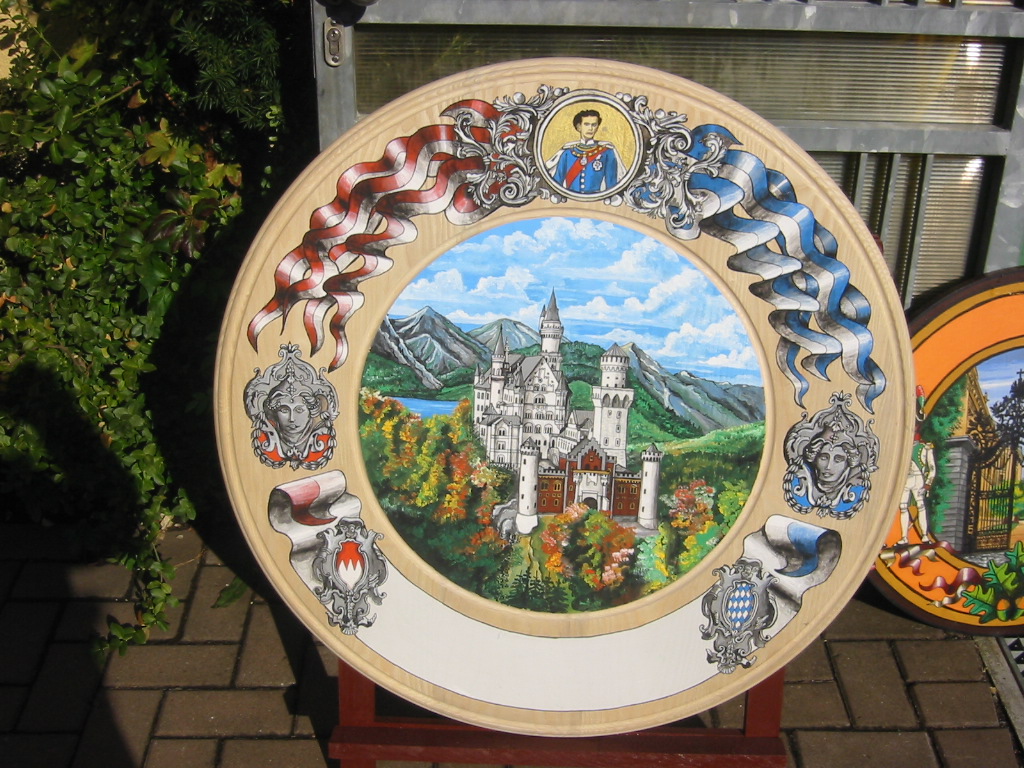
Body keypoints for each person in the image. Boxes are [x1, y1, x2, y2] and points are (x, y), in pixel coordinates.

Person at [548, 109, 621, 194]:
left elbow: (611, 186)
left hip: (596, 199)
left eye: (594, 125)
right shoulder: (567, 153)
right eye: (586, 124)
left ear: (597, 127)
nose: (590, 128)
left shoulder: (607, 153)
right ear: (579, 127)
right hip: (570, 199)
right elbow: (557, 184)